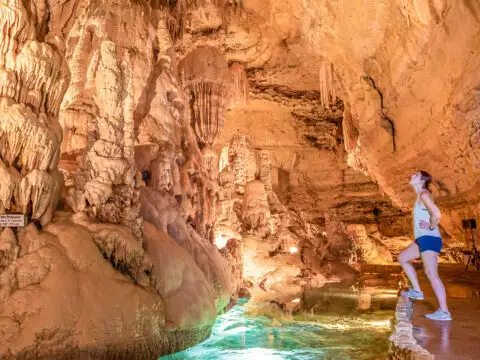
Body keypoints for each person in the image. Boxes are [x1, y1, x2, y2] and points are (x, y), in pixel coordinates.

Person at [399, 170, 452, 321]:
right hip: (422, 239)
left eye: (416, 175)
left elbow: (436, 213)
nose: (411, 175)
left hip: (429, 238)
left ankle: (444, 311)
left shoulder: (424, 194)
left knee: (432, 275)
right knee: (402, 258)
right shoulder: (420, 195)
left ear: (422, 180)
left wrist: (430, 225)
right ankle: (417, 290)